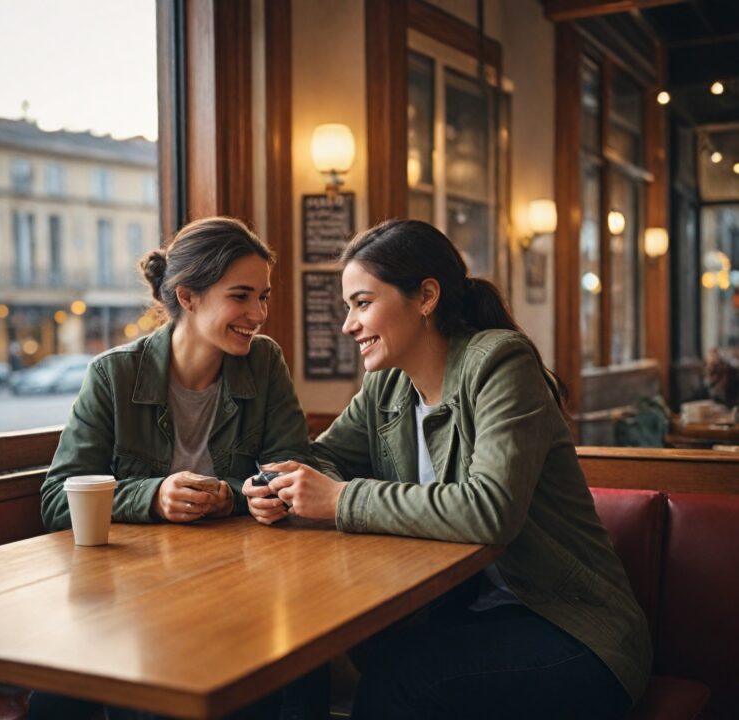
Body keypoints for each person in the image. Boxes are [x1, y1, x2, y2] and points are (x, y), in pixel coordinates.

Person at [244, 219, 652, 719]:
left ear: (426, 297)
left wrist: (339, 499)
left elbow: (490, 511)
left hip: (575, 631)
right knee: (311, 654)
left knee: (402, 679)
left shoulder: (501, 364)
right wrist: (281, 482)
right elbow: (323, 456)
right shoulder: (387, 386)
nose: (349, 324)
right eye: (348, 307)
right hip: (468, 614)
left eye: (363, 303)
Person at [34, 217, 327, 720]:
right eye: (241, 296)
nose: (258, 313)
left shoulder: (264, 363)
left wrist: (237, 495)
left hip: (237, 587)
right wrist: (153, 496)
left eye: (263, 296)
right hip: (135, 594)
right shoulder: (114, 374)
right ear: (188, 296)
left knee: (293, 676)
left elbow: (289, 467)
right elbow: (58, 497)